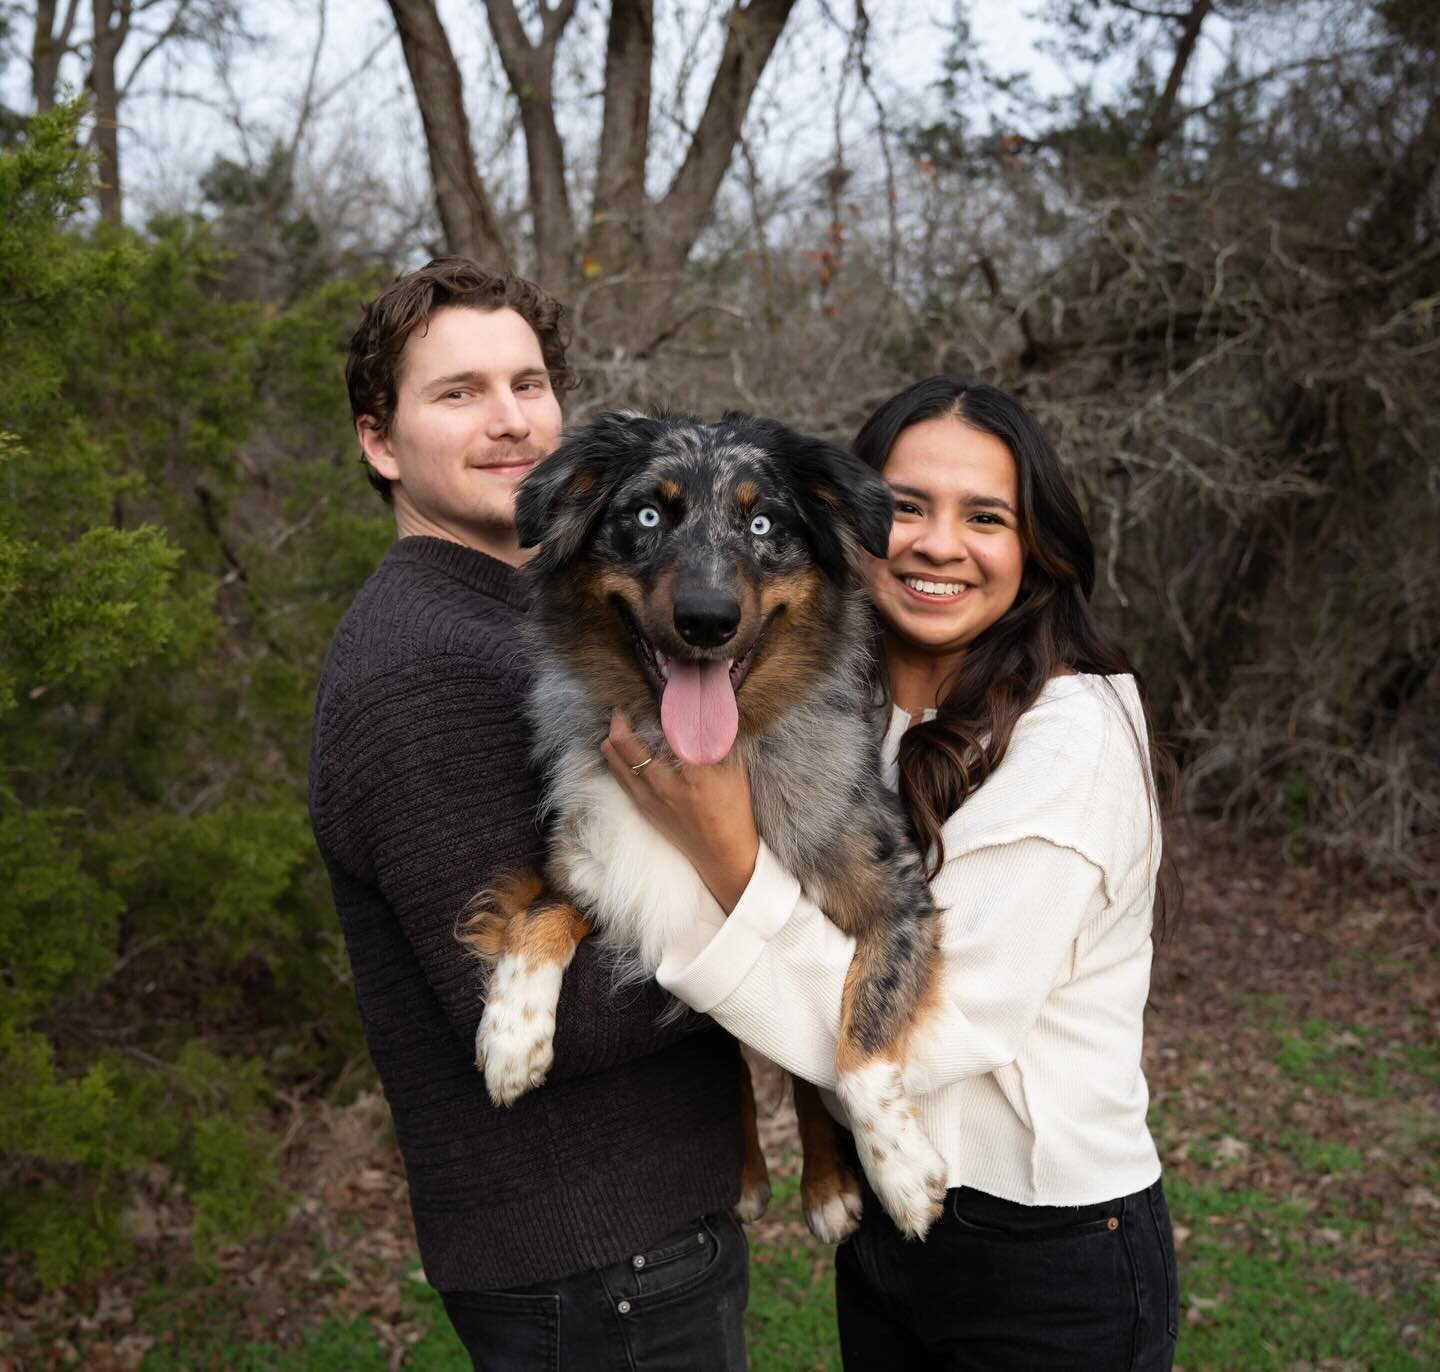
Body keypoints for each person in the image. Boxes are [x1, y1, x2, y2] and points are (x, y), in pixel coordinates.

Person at [602, 375, 1181, 1369]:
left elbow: (933, 1036)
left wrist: (725, 852)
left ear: (1035, 547)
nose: (936, 543)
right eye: (906, 506)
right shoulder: (832, 711)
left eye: (985, 516)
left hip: (1047, 1252)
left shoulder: (1073, 736)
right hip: (887, 1222)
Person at [308, 258, 749, 1372]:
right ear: (379, 441)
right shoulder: (422, 666)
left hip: (629, 1245)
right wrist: (780, 935)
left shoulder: (532, 615)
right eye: (458, 393)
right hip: (596, 1268)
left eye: (528, 383)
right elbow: (565, 1022)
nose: (510, 421)